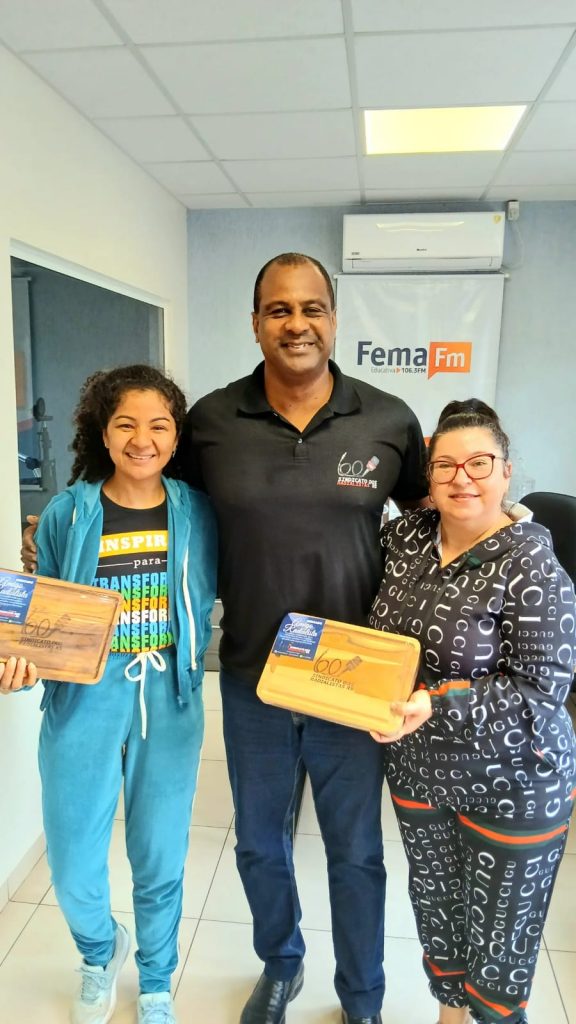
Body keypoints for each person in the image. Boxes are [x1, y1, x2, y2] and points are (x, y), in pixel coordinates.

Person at [179, 253, 429, 1024]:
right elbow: (164, 511)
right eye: (279, 310)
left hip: (353, 682)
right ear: (255, 322)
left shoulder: (388, 419)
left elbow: (434, 524)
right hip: (252, 677)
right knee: (259, 844)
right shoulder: (210, 423)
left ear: (333, 319)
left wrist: (505, 529)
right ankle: (281, 965)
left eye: (312, 308)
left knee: (356, 853)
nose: (297, 324)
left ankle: (363, 996)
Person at [11, 364, 217, 1024]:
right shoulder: (68, 513)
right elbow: (38, 614)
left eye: (158, 425)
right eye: (126, 424)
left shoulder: (199, 511)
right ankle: (100, 953)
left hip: (170, 697)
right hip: (84, 696)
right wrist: (21, 661)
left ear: (176, 437)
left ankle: (155, 978)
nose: (142, 439)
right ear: (103, 433)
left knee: (159, 853)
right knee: (72, 860)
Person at [367, 399, 576, 1024]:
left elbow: (541, 691)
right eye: (446, 466)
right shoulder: (405, 539)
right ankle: (447, 1016)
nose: (462, 478)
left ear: (506, 472)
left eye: (479, 463)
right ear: (428, 479)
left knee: (500, 949)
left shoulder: (532, 563)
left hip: (513, 782)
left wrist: (435, 702)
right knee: (439, 915)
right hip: (419, 771)